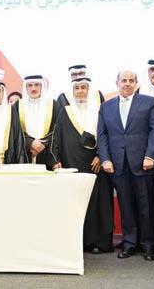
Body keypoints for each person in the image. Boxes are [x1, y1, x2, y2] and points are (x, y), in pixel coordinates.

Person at [98, 70, 154, 260]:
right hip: (117, 164)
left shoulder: (149, 102)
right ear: (117, 83)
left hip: (143, 163)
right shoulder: (106, 106)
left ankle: (148, 245)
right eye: (123, 80)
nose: (127, 84)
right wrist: (105, 159)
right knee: (125, 206)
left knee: (145, 206)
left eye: (131, 80)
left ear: (136, 83)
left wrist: (150, 155)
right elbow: (102, 135)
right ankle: (129, 244)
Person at [49, 76, 114, 253]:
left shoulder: (100, 111)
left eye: (83, 88)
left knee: (97, 202)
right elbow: (56, 138)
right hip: (72, 164)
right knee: (76, 203)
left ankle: (98, 242)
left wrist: (101, 156)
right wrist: (55, 161)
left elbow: (108, 136)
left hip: (95, 165)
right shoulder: (65, 112)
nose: (80, 92)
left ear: (89, 90)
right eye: (77, 88)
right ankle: (79, 242)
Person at [15, 75, 58, 165]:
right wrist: (30, 143)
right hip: (25, 153)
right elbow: (15, 130)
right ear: (26, 88)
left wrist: (42, 145)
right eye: (30, 85)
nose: (33, 88)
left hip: (47, 153)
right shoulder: (18, 105)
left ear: (42, 86)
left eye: (36, 85)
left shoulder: (52, 104)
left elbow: (56, 129)